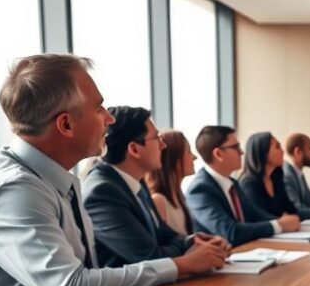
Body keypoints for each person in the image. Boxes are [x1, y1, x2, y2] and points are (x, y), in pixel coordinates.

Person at [0, 54, 228, 286]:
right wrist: (179, 265)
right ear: (66, 124)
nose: (109, 119)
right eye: (99, 108)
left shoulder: (52, 180)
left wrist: (185, 252)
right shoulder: (14, 191)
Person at [83, 107, 230, 267]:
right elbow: (149, 256)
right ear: (134, 149)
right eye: (157, 138)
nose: (163, 145)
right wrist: (191, 252)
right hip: (134, 284)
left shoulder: (135, 181)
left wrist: (195, 241)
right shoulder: (103, 192)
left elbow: (165, 235)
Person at [185, 126, 300, 246]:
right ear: (218, 154)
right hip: (222, 255)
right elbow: (231, 232)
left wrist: (282, 221)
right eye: (235, 147)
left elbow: (256, 215)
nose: (241, 152)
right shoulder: (200, 190)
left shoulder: (232, 183)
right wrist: (279, 225)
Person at [237, 132, 310, 221]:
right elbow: (258, 219)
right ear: (263, 152)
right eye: (277, 147)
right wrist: (282, 220)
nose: (282, 151)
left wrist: (287, 219)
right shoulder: (249, 184)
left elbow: (291, 211)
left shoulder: (276, 178)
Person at [146, 129, 196, 236]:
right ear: (173, 158)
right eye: (188, 151)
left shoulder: (179, 197)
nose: (194, 157)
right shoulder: (158, 201)